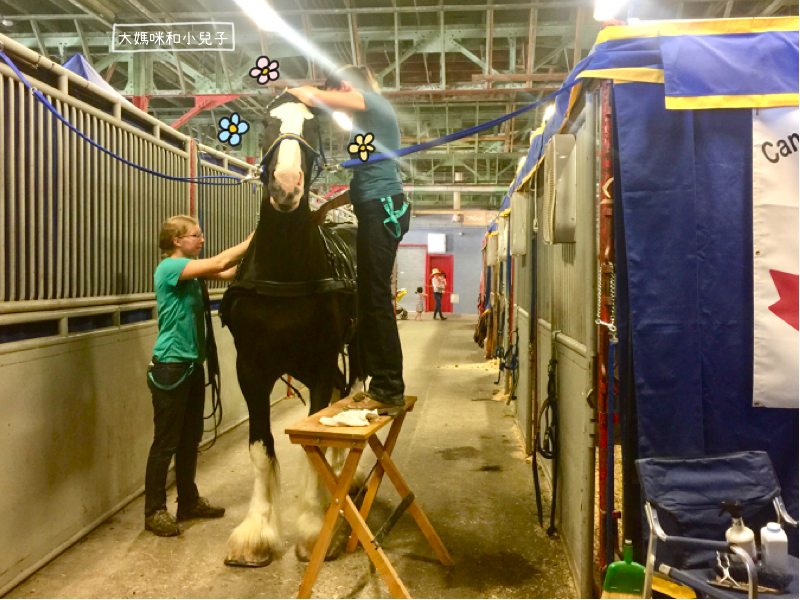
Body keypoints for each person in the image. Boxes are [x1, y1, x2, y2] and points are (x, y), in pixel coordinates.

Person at [288, 65, 410, 416]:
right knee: (368, 297)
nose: (338, 111)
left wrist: (296, 93)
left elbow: (312, 95)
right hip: (375, 205)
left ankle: (389, 387)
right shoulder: (368, 119)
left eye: (336, 97)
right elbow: (368, 179)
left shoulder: (370, 101)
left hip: (381, 210)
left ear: (343, 87)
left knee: (375, 299)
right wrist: (329, 204)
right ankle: (380, 381)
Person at [144, 215, 252, 537]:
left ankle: (187, 500)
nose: (201, 239)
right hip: (171, 366)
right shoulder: (170, 269)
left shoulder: (191, 273)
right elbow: (220, 261)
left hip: (190, 366)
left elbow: (228, 269)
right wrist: (254, 240)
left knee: (190, 440)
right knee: (165, 442)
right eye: (195, 235)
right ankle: (154, 510)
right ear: (177, 241)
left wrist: (256, 248)